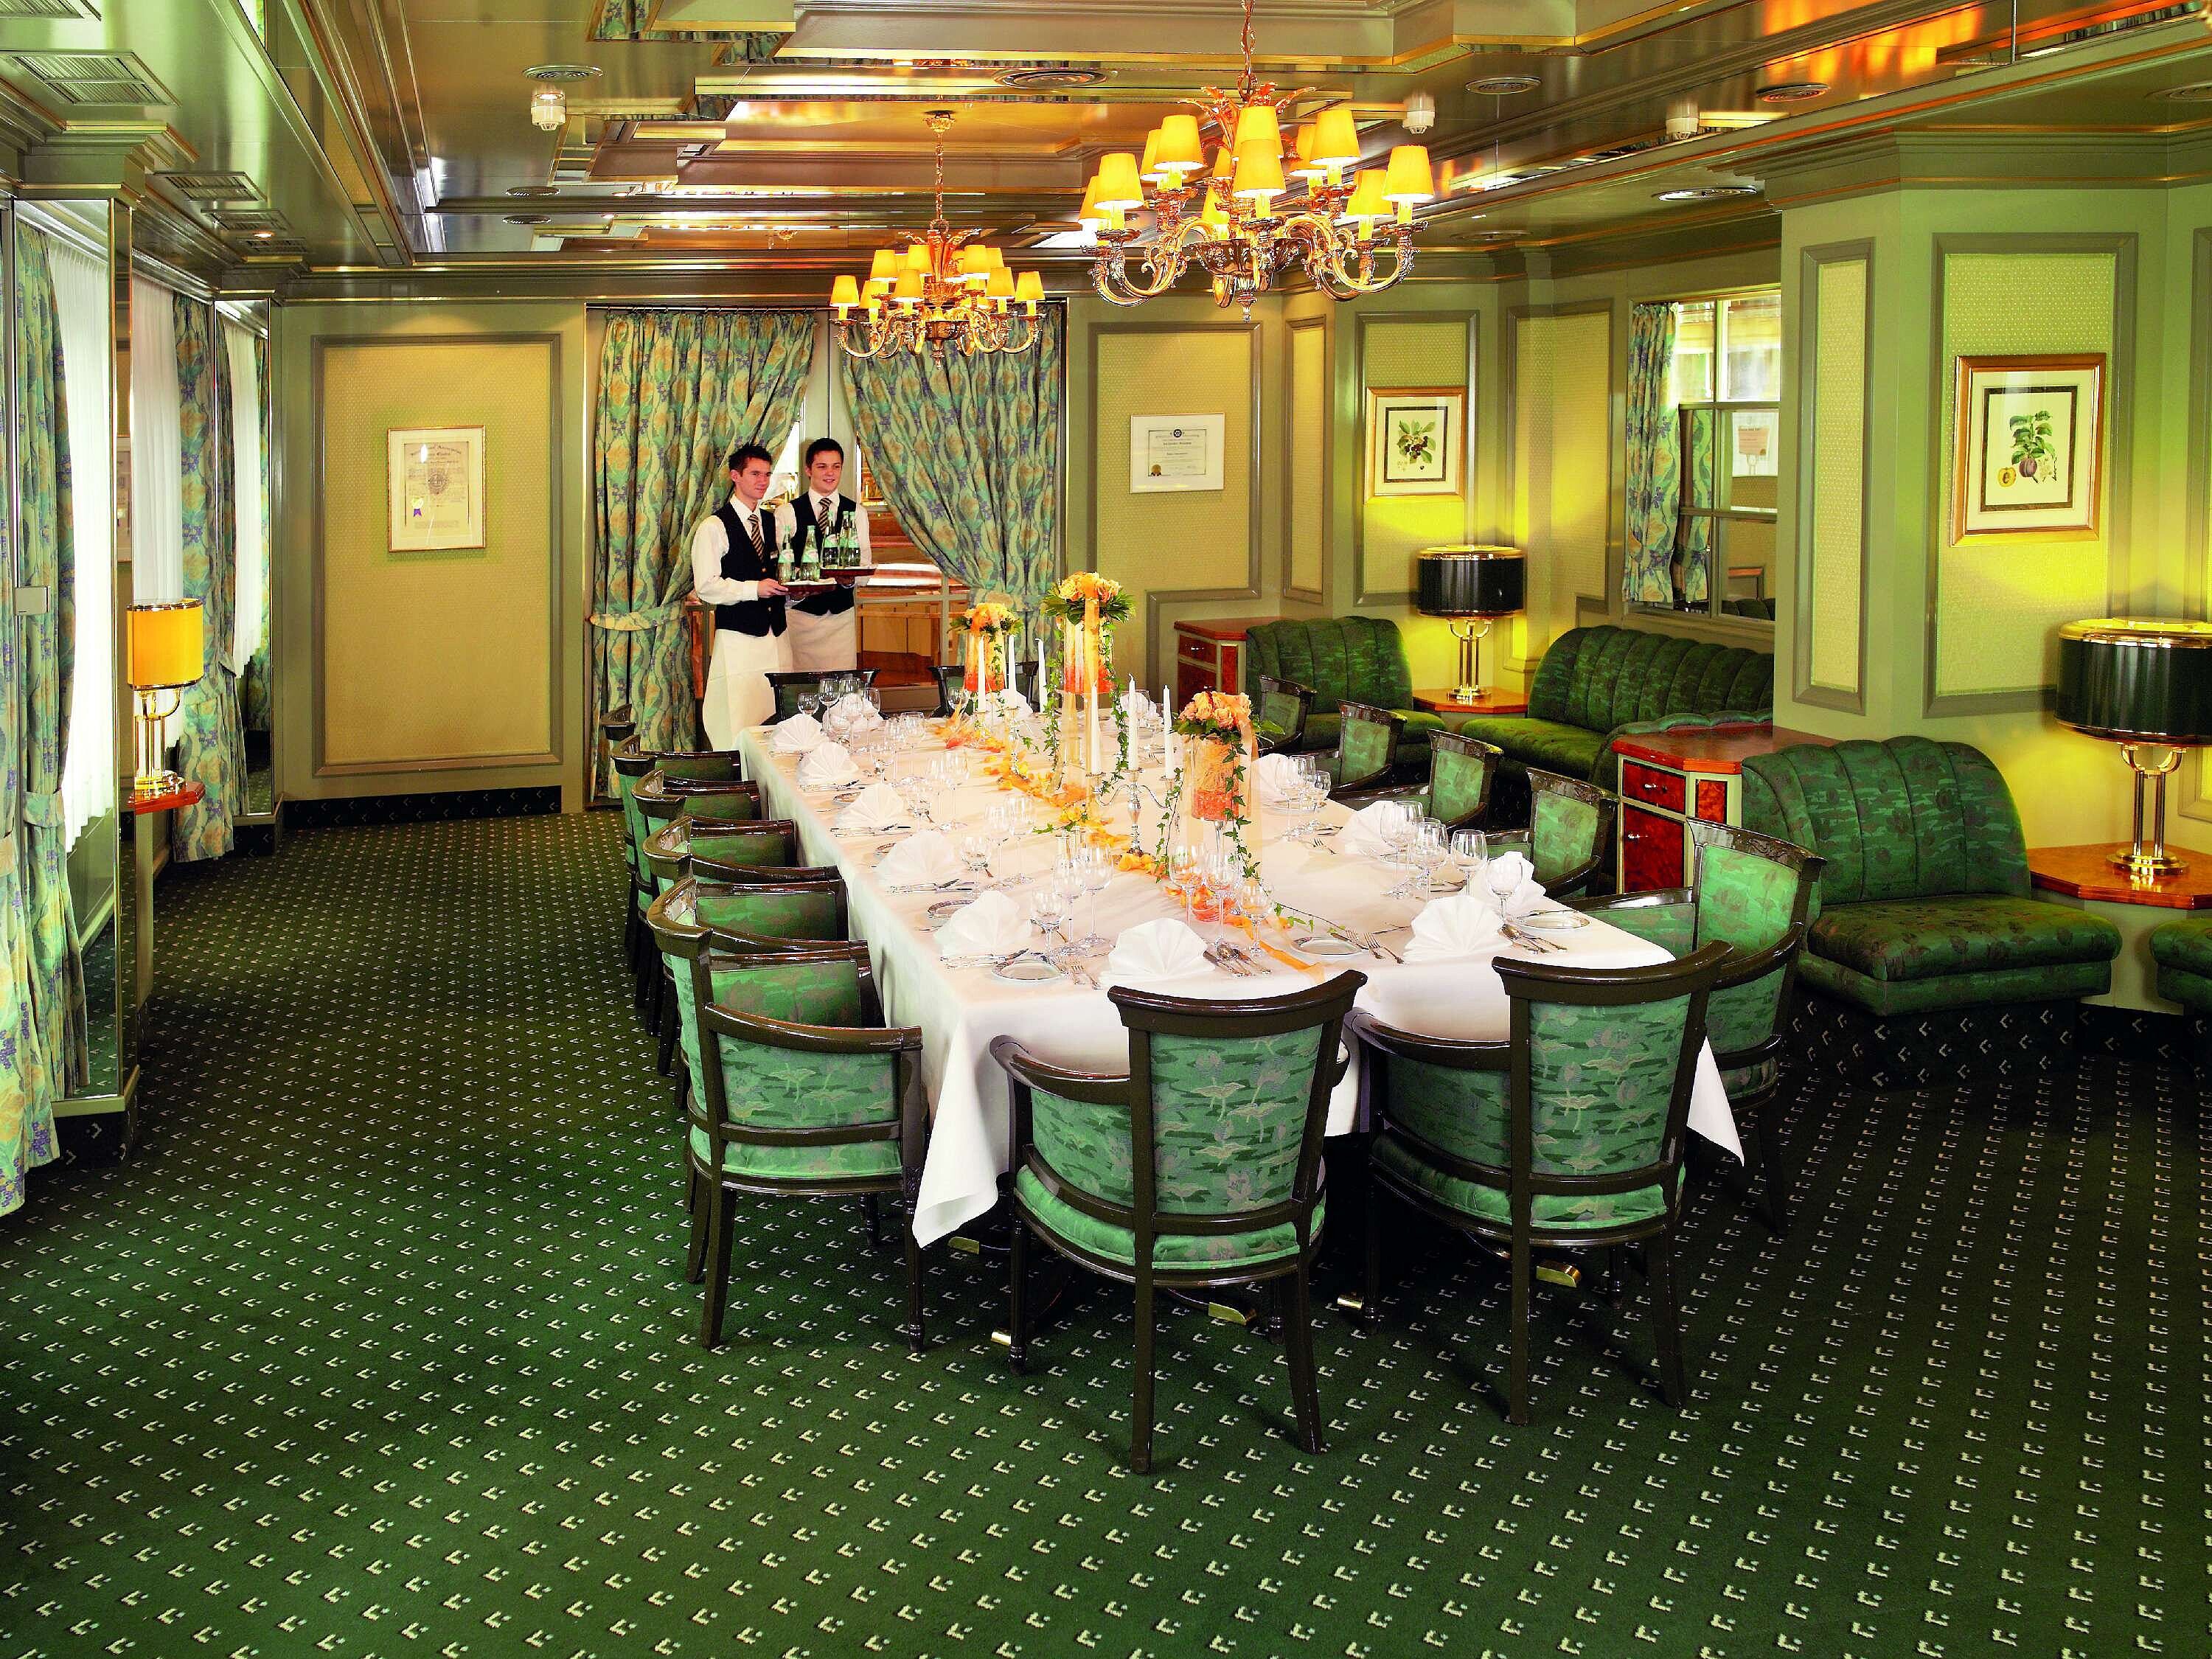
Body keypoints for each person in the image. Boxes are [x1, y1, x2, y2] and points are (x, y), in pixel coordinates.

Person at [690, 442, 790, 744]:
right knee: (740, 711)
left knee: (775, 712)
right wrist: (753, 589)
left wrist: (791, 591)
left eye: (768, 475)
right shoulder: (714, 526)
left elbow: (776, 570)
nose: (763, 481)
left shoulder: (771, 521)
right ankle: (740, 777)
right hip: (738, 637)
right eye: (755, 474)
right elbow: (707, 586)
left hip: (777, 636)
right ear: (735, 476)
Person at [782, 437, 872, 674]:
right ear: (808, 470)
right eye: (822, 466)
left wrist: (850, 579)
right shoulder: (787, 512)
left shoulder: (857, 512)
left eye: (836, 466)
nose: (830, 473)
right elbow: (781, 566)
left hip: (840, 621)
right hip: (801, 619)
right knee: (802, 690)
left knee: (842, 690)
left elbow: (864, 565)